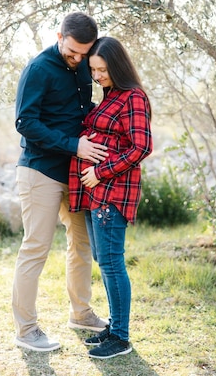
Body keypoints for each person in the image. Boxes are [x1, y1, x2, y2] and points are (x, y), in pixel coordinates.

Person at [11, 12, 111, 352]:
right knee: (35, 248)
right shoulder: (38, 69)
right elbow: (25, 122)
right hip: (40, 171)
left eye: (84, 53)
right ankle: (26, 331)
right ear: (59, 36)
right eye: (72, 52)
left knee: (81, 245)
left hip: (77, 174)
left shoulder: (85, 63)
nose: (78, 59)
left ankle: (81, 314)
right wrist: (74, 145)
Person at [69, 37, 153, 359]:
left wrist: (101, 172)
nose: (98, 76)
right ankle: (115, 326)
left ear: (116, 66)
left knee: (113, 263)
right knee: (103, 262)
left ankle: (121, 336)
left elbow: (141, 147)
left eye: (102, 69)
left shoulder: (134, 97)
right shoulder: (109, 96)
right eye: (93, 70)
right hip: (94, 194)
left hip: (111, 192)